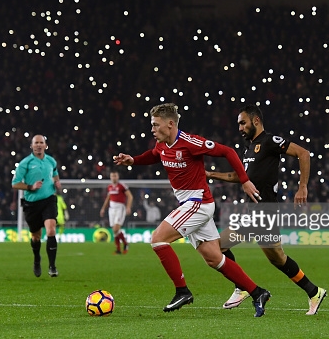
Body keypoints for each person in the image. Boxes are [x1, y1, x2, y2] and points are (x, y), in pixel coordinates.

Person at [114, 103, 271, 317]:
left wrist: (244, 180)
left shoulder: (190, 142)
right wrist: (133, 160)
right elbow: (154, 154)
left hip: (198, 202)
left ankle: (182, 291)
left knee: (158, 239)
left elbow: (228, 151)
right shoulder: (161, 144)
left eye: (155, 125)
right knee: (214, 258)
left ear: (170, 124)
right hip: (189, 204)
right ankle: (258, 292)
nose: (152, 129)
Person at [206, 104, 327, 315]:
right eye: (238, 124)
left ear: (256, 121)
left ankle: (242, 286)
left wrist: (303, 186)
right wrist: (212, 175)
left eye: (243, 123)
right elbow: (241, 177)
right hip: (258, 212)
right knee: (277, 259)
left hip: (264, 212)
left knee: (217, 247)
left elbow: (304, 154)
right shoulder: (249, 148)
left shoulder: (270, 141)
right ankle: (314, 291)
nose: (240, 128)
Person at [12, 134, 61, 278]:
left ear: (46, 145)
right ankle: (37, 259)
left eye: (41, 142)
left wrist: (57, 183)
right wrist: (30, 186)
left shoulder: (51, 161)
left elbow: (56, 174)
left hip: (49, 200)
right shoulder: (25, 163)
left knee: (51, 230)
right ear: (31, 146)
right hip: (31, 203)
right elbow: (15, 183)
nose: (39, 145)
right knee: (36, 236)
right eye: (36, 143)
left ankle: (52, 266)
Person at [99, 170, 133, 254]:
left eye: (115, 176)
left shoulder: (122, 186)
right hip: (111, 209)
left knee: (116, 228)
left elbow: (130, 196)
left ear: (118, 177)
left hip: (120, 208)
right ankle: (118, 249)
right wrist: (103, 208)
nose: (114, 178)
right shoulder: (109, 186)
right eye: (112, 176)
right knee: (114, 230)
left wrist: (128, 207)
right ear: (110, 177)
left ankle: (125, 244)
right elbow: (108, 198)